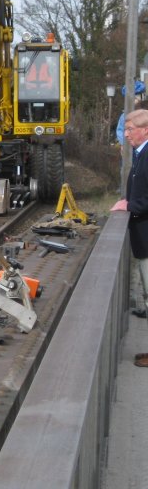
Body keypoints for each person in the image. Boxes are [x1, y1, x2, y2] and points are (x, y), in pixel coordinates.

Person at [111, 109, 148, 366]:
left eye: (130, 129)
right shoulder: (140, 153)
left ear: (145, 129)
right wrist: (128, 200)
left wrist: (130, 206)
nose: (126, 134)